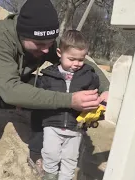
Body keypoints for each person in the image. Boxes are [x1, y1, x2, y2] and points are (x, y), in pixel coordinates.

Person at [0, 0, 109, 170]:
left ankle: (38, 152)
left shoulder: (45, 40)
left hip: (14, 83)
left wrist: (106, 89)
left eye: (50, 43)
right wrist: (70, 100)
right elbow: (11, 91)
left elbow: (82, 63)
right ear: (22, 35)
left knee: (55, 88)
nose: (46, 50)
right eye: (39, 44)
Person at [30, 30, 103, 180]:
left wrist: (96, 106)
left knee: (70, 159)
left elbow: (94, 93)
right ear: (59, 52)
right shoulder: (49, 75)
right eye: (71, 59)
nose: (76, 64)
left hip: (75, 127)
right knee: (50, 153)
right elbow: (40, 97)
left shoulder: (88, 75)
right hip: (52, 123)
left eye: (81, 60)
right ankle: (50, 175)